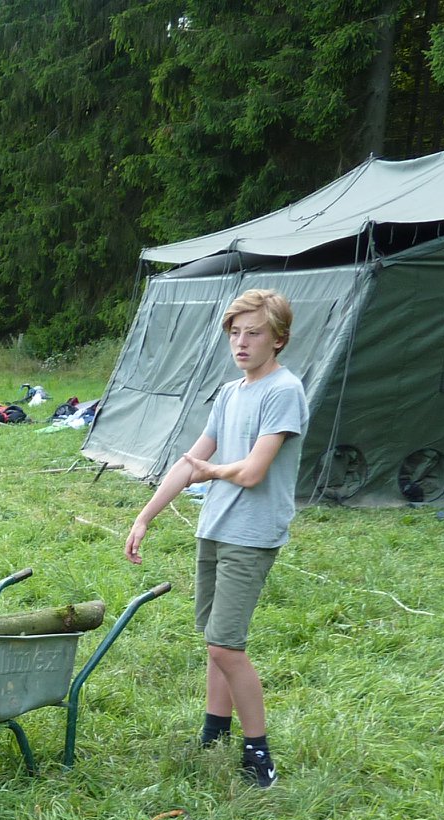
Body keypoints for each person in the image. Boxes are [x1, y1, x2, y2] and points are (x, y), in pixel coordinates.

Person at [123, 288, 307, 789]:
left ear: (279, 339)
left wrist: (209, 472)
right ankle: (214, 731)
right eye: (235, 333)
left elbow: (252, 473)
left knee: (227, 645)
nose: (241, 343)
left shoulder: (284, 391)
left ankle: (258, 752)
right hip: (216, 529)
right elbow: (189, 462)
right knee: (214, 641)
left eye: (254, 333)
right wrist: (145, 517)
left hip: (252, 535)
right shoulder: (230, 393)